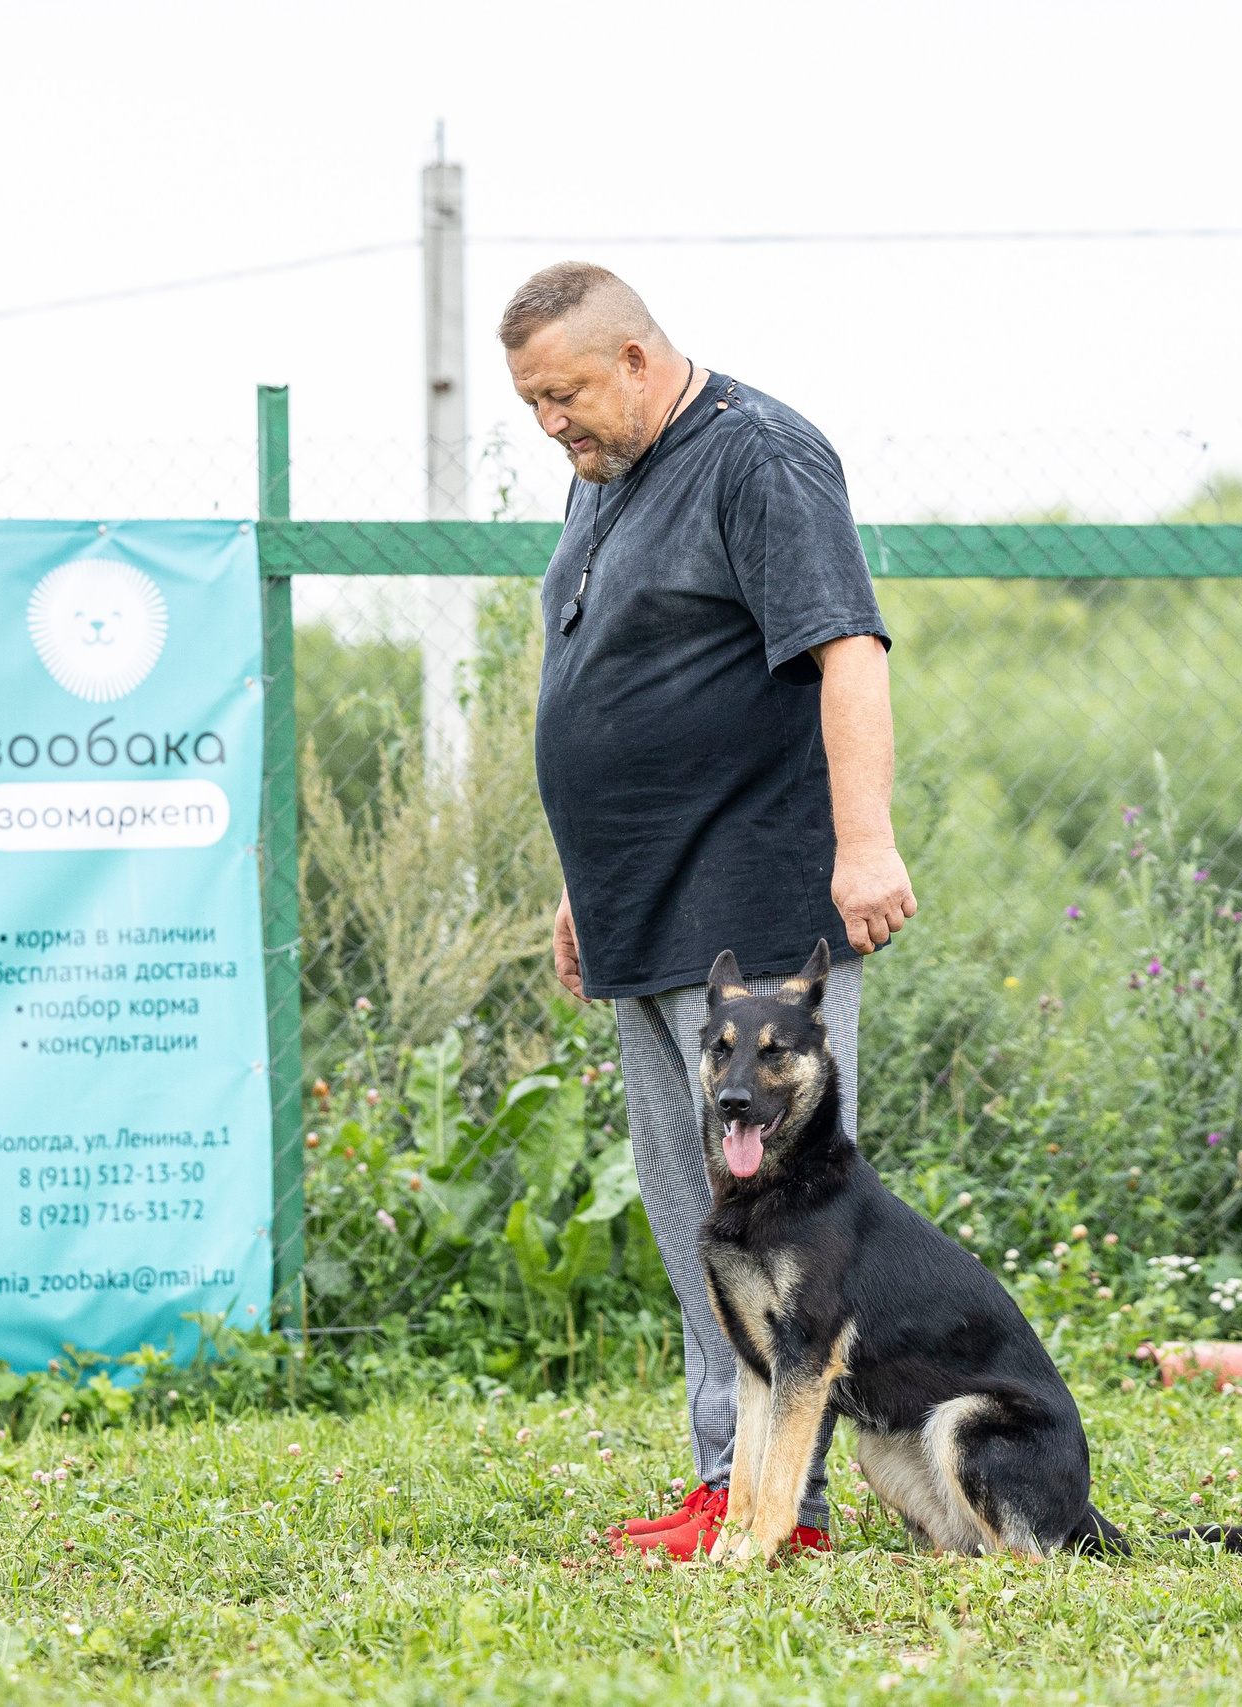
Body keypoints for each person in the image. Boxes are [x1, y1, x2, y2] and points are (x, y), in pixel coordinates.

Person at [501, 262, 917, 1559]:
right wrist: (583, 875)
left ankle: (783, 1503)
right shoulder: (603, 478)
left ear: (637, 359)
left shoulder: (761, 458)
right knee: (697, 1203)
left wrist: (866, 844)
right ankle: (728, 1481)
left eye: (565, 393)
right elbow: (609, 682)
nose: (551, 424)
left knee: (780, 1213)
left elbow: (845, 646)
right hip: (641, 892)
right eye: (531, 403)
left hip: (757, 895)